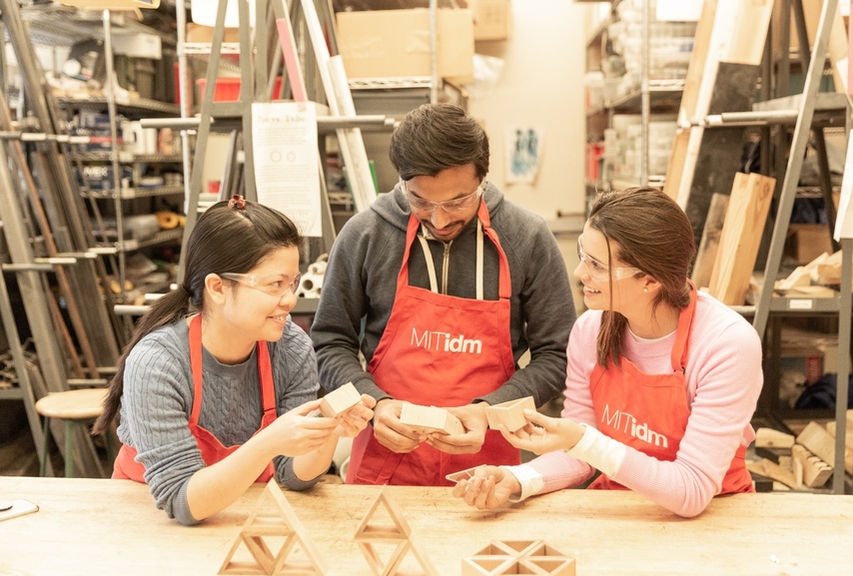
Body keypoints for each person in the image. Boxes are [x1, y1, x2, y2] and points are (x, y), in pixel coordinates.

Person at [452, 188, 763, 517]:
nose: (580, 273)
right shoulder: (591, 331)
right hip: (620, 513)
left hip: (714, 520)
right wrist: (518, 478)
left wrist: (583, 439)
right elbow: (581, 453)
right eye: (583, 255)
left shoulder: (725, 345)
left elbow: (691, 491)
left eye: (597, 265)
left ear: (648, 279)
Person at [310, 104, 576, 486]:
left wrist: (490, 411)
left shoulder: (527, 238)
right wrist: (374, 403)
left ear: (483, 179)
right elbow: (330, 342)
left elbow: (558, 355)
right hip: (385, 463)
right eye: (421, 202)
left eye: (457, 201)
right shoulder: (365, 235)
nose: (440, 219)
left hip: (488, 468)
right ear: (402, 184)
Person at [93, 197, 375, 525]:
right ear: (218, 287)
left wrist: (326, 429)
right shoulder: (159, 363)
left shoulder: (291, 347)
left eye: (293, 282)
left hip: (242, 522)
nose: (291, 299)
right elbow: (182, 503)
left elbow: (294, 476)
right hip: (150, 526)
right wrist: (267, 443)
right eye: (275, 285)